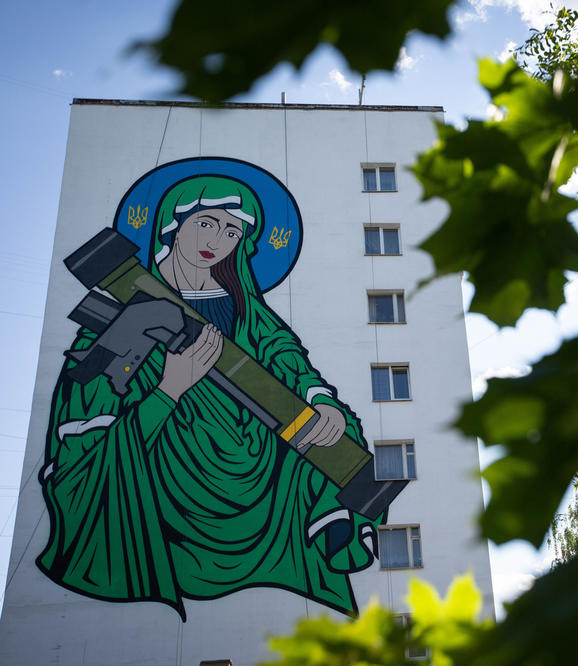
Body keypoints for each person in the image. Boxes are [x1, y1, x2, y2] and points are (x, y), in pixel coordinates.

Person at [38, 174, 379, 619]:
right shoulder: (127, 299)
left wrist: (322, 400)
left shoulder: (244, 305)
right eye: (206, 223)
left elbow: (283, 353)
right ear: (173, 225)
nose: (217, 240)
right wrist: (169, 389)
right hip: (168, 451)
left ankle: (329, 522)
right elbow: (90, 397)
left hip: (254, 439)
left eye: (232, 231)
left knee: (333, 428)